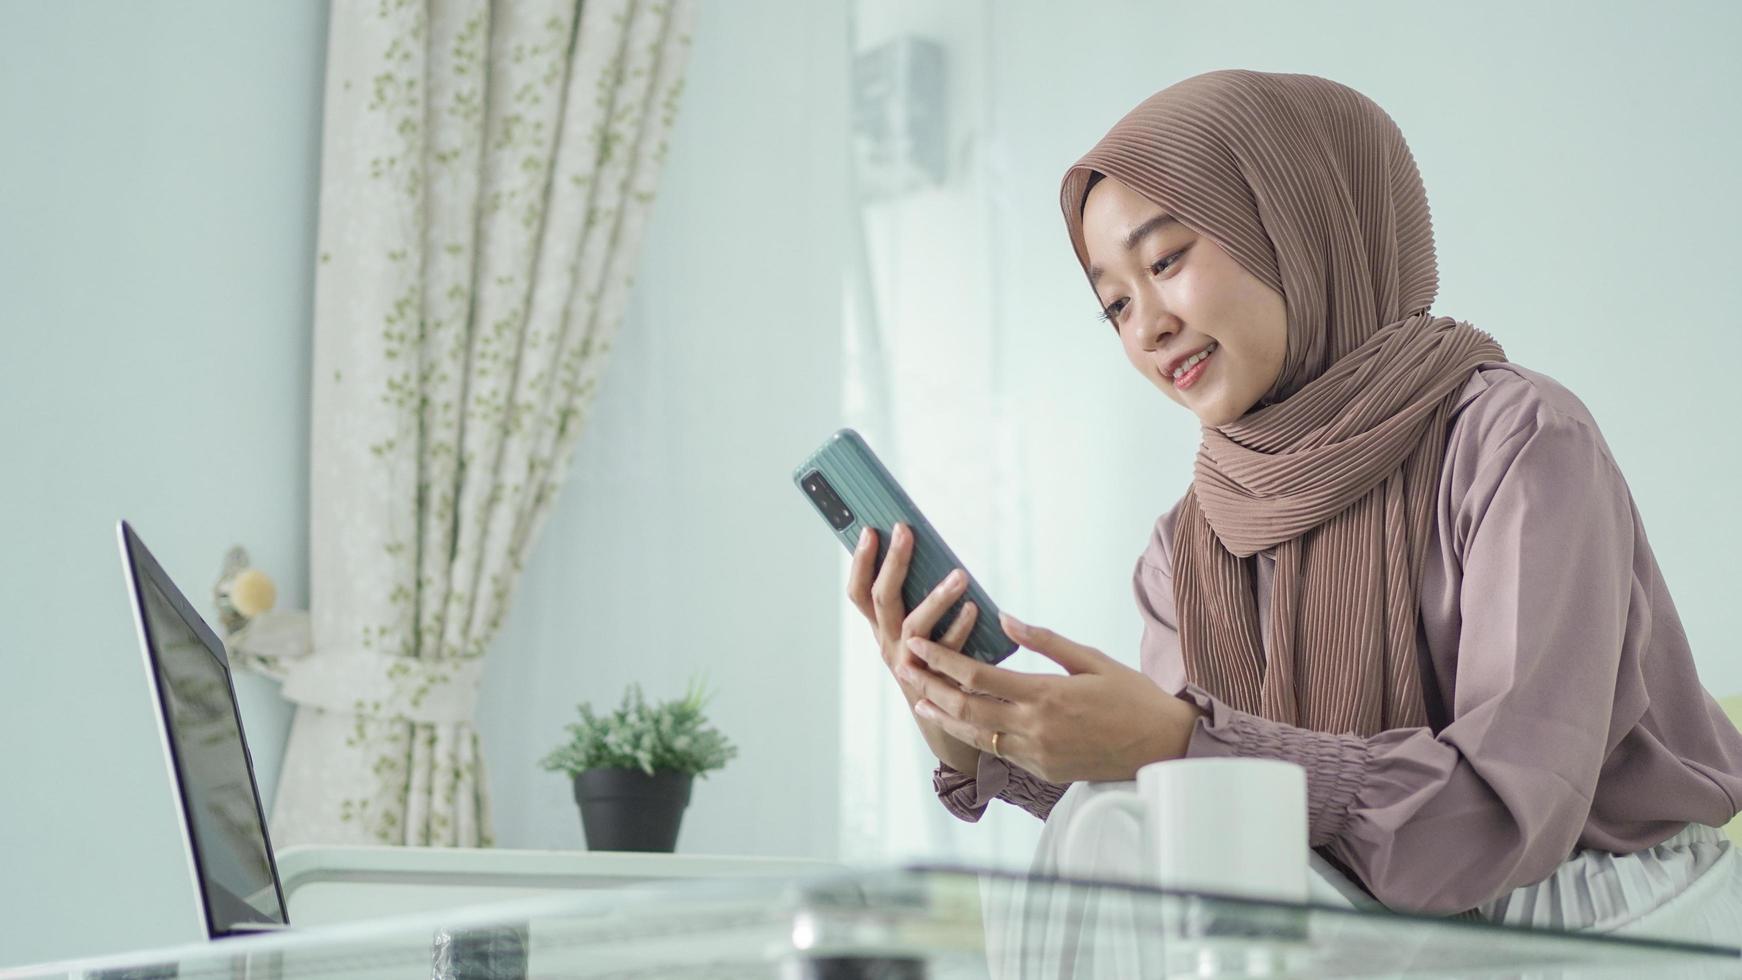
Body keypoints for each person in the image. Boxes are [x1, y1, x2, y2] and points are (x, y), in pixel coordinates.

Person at [846, 69, 1742, 943]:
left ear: (1301, 224)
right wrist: (978, 734)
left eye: (1166, 260)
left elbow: (1505, 814)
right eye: (1113, 303)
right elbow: (1194, 826)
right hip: (1357, 929)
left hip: (1608, 929)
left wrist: (1177, 745)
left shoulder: (1519, 440)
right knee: (1107, 845)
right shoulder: (1186, 544)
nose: (1147, 325)